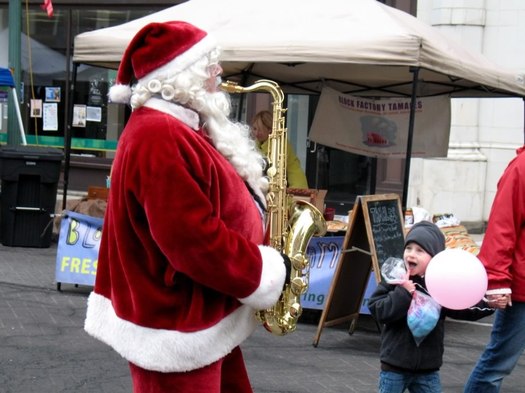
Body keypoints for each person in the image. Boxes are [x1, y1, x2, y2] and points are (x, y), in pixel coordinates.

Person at [83, 21, 289, 393]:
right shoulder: (159, 135)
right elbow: (194, 242)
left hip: (201, 325)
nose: (219, 73)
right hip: (176, 329)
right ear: (181, 75)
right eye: (210, 64)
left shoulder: (177, 129)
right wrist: (264, 271)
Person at [368, 221, 493, 393]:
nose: (411, 255)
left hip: (427, 369)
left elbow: (461, 308)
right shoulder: (396, 278)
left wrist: (490, 304)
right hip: (394, 366)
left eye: (420, 251)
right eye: (409, 248)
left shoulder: (439, 283)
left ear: (434, 257)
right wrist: (404, 292)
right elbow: (379, 309)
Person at [464, 145, 525, 393]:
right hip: (522, 288)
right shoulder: (521, 168)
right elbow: (502, 227)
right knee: (497, 365)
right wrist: (497, 280)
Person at [251, 110, 309, 189]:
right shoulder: (256, 143)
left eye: (260, 130)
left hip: (294, 185)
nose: (256, 133)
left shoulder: (280, 144)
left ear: (269, 130)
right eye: (254, 129)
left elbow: (275, 174)